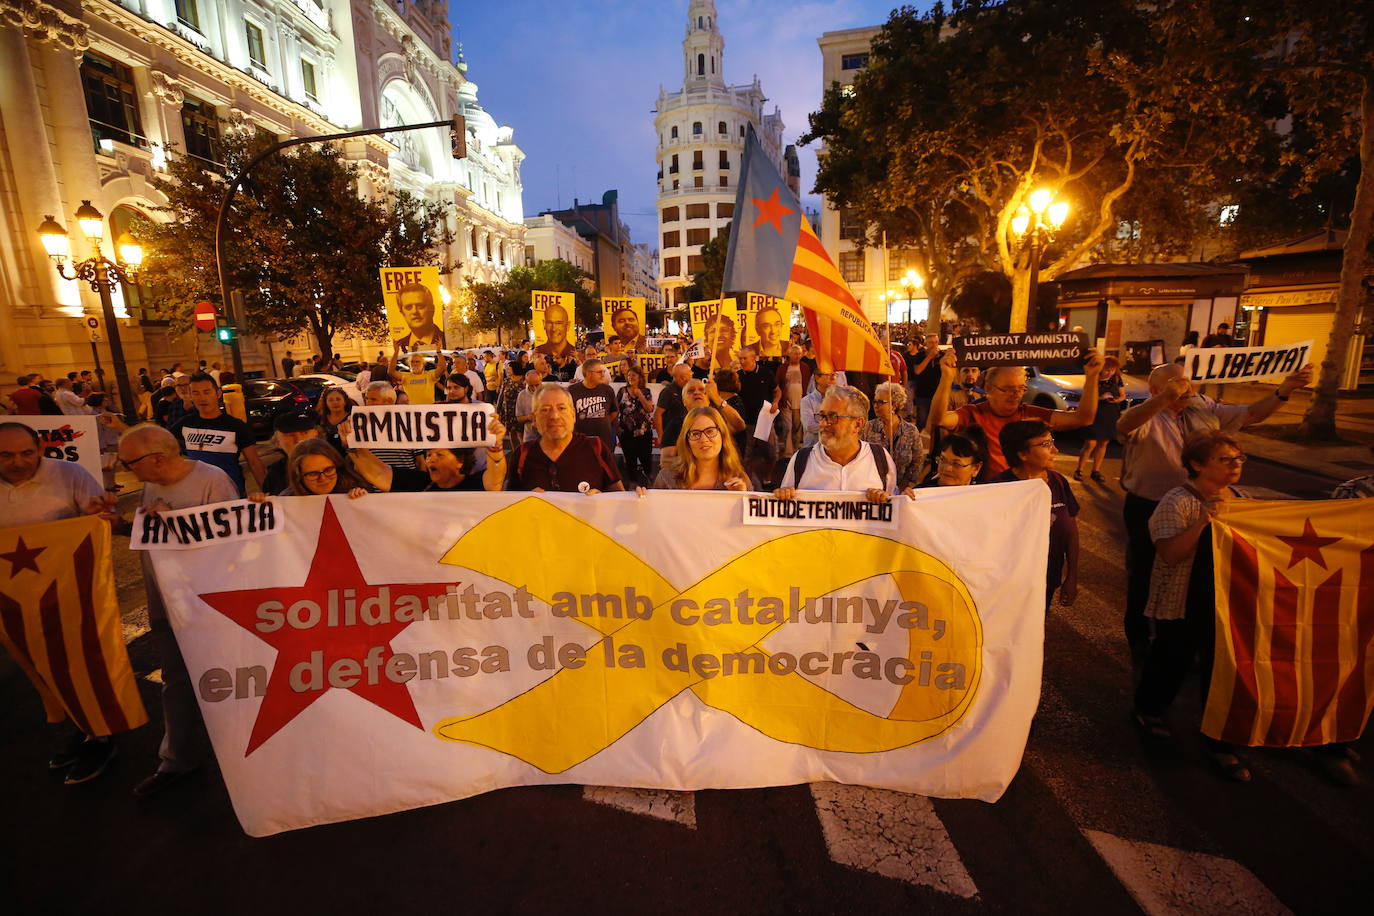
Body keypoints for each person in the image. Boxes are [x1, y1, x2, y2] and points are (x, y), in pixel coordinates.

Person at [1115, 360, 1310, 666]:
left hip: (1198, 503)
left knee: (1197, 572)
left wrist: (1285, 389)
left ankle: (1182, 637)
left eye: (1187, 382)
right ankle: (1140, 638)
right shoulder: (1146, 413)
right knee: (1146, 571)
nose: (1186, 389)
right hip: (1150, 504)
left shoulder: (1203, 407)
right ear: (1155, 389)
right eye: (1175, 384)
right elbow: (1124, 426)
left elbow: (1251, 414)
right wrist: (1165, 399)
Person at [117, 423, 239, 797]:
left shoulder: (213, 481)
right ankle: (177, 760)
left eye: (128, 463)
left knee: (231, 682)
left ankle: (243, 760)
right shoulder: (152, 483)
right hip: (165, 605)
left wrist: (173, 523)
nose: (125, 470)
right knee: (176, 683)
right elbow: (151, 535)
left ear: (155, 459)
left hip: (209, 607)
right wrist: (128, 524)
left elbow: (233, 542)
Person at [0, 422, 121, 783]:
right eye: (6, 455)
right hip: (11, 600)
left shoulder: (70, 474)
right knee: (34, 664)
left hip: (68, 593)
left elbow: (102, 523)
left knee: (80, 663)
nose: (18, 462)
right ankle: (65, 726)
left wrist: (102, 514)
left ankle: (100, 734)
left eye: (25, 453)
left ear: (39, 447)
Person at [1132, 431, 1252, 782]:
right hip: (1184, 600)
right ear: (1197, 465)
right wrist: (1203, 521)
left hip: (1228, 601)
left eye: (1238, 459)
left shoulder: (1241, 499)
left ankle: (1220, 740)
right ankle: (1149, 709)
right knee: (1171, 658)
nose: (1235, 466)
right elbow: (1170, 553)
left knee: (1224, 670)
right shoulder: (1177, 502)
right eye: (1225, 459)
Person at [929, 349, 1103, 480]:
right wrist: (946, 377)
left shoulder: (1030, 415)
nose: (1017, 395)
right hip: (986, 492)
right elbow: (938, 419)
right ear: (989, 389)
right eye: (1008, 389)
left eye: (1021, 388)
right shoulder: (973, 413)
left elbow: (1083, 418)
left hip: (1024, 491)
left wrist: (1093, 377)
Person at [994, 421, 1079, 608]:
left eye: (1052, 442)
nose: (1055, 449)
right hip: (1006, 586)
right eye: (1046, 444)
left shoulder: (1059, 482)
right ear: (1022, 454)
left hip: (1047, 580)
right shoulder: (998, 489)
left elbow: (1071, 531)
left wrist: (1072, 575)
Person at [774, 386, 898, 502]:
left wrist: (884, 498)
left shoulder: (880, 458)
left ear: (858, 424)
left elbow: (896, 507)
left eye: (833, 416)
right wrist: (783, 495)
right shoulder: (801, 460)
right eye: (822, 416)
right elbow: (785, 513)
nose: (823, 424)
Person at [503, 384, 623, 493]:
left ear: (573, 415)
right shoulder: (523, 454)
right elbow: (510, 503)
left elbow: (619, 498)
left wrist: (602, 498)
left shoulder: (596, 448)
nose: (554, 416)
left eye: (561, 408)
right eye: (545, 410)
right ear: (534, 419)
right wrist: (526, 501)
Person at [167, 372, 265, 497]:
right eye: (196, 393)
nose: (202, 398)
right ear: (190, 396)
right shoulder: (186, 423)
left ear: (218, 394)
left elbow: (255, 463)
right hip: (197, 497)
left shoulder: (235, 426)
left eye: (207, 392)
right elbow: (163, 446)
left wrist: (271, 495)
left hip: (230, 494)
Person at [652, 406, 754, 490]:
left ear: (722, 436)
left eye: (710, 431)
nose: (703, 439)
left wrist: (742, 497)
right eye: (695, 434)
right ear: (686, 441)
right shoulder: (667, 478)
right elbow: (652, 511)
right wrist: (639, 498)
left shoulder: (739, 478)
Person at [862, 382, 925, 491]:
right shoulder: (868, 427)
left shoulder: (911, 431)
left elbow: (917, 462)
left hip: (902, 489)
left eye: (881, 402)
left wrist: (904, 486)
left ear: (894, 405)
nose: (876, 405)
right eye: (875, 401)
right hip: (873, 489)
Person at [1075, 355, 1125, 482]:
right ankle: (1079, 469)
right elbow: (1085, 396)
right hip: (1095, 412)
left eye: (1113, 370)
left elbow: (1122, 395)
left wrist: (1117, 399)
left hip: (1110, 412)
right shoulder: (1094, 378)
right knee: (1090, 443)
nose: (1110, 372)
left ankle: (1096, 471)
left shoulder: (1116, 379)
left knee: (1103, 443)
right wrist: (1100, 398)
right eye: (1107, 369)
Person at [261, 411, 320, 495]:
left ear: (315, 435)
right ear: (277, 442)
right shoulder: (275, 473)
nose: (299, 440)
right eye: (290, 435)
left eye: (305, 433)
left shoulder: (335, 464)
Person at [616, 365, 655, 486]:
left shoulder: (646, 391)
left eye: (633, 375)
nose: (630, 377)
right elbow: (616, 409)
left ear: (640, 377)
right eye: (628, 375)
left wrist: (640, 395)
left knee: (645, 457)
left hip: (644, 431)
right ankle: (632, 481)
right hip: (627, 432)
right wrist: (617, 427)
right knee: (630, 458)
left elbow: (649, 409)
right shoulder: (622, 391)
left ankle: (649, 478)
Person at [569, 359, 618, 454]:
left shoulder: (607, 390)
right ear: (588, 374)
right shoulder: (572, 391)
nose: (603, 375)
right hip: (580, 442)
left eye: (603, 371)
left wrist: (602, 423)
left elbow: (614, 412)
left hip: (604, 442)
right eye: (599, 372)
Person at [775, 345, 811, 456]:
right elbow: (777, 384)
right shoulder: (783, 367)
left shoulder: (805, 367)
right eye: (795, 353)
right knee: (788, 427)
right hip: (786, 402)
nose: (797, 356)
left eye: (799, 353)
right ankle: (788, 452)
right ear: (789, 354)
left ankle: (796, 449)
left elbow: (808, 384)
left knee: (797, 425)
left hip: (800, 402)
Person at [391, 283, 446, 355]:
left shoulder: (445, 340)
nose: (414, 311)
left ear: (432, 309)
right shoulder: (400, 345)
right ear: (402, 312)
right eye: (408, 307)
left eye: (420, 306)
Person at [655, 363, 694, 460]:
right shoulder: (668, 392)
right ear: (683, 377)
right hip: (672, 439)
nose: (692, 374)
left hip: (687, 436)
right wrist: (661, 436)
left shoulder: (690, 390)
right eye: (690, 373)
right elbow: (658, 414)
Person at [920, 431, 985, 488]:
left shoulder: (984, 497)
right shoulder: (922, 491)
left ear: (976, 468)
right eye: (943, 460)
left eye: (957, 464)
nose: (947, 468)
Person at [907, 336, 944, 426]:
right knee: (922, 420)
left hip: (938, 393)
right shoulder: (920, 355)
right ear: (926, 344)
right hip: (923, 394)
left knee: (937, 422)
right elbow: (917, 371)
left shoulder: (942, 355)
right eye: (931, 342)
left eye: (936, 342)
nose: (934, 345)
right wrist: (929, 357)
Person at [800, 370, 839, 446]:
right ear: (817, 377)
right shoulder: (807, 401)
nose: (833, 378)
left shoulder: (839, 401)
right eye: (829, 374)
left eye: (835, 374)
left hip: (834, 448)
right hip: (813, 447)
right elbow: (810, 426)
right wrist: (834, 427)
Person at [315, 386, 354, 459]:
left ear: (345, 401)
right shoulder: (320, 419)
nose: (335, 402)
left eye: (338, 399)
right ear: (326, 403)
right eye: (331, 400)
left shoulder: (352, 418)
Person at [514, 369, 545, 443]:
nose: (534, 388)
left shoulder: (548, 392)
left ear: (541, 380)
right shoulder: (522, 395)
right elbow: (518, 418)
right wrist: (528, 417)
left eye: (537, 385)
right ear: (526, 383)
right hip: (530, 437)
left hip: (547, 436)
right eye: (531, 386)